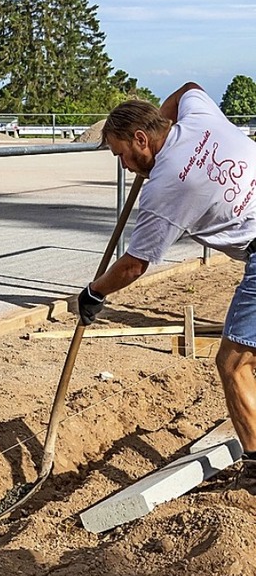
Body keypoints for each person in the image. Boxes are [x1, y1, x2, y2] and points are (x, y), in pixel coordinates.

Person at [78, 82, 256, 470]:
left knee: (233, 363)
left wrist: (93, 292)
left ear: (141, 138)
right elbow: (189, 87)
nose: (124, 166)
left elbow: (133, 265)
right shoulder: (198, 115)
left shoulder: (165, 188)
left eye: (122, 154)